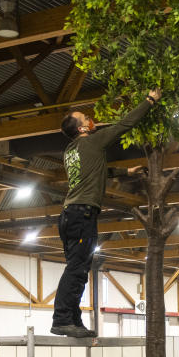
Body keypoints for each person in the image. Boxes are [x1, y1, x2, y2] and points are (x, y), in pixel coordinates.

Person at [51, 88, 162, 338]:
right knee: (77, 269)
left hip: (70, 215)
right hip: (82, 215)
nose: (91, 119)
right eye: (85, 118)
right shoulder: (92, 141)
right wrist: (149, 101)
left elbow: (97, 170)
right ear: (82, 129)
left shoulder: (71, 151)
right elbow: (125, 124)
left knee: (78, 267)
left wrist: (126, 172)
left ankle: (72, 320)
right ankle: (61, 319)